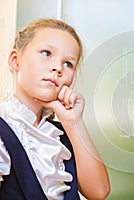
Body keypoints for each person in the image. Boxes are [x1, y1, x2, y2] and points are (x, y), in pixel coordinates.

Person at [0, 18, 110, 199]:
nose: (58, 67)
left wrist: (73, 122)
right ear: (15, 61)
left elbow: (99, 192)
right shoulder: (4, 127)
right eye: (46, 53)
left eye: (68, 64)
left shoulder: (61, 135)